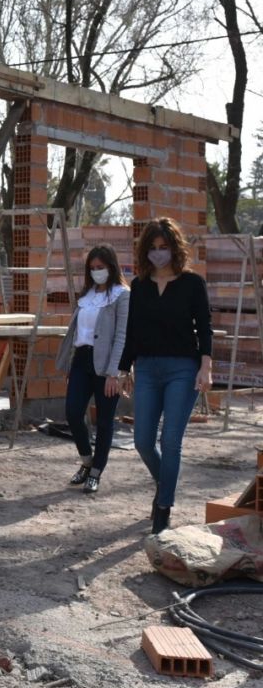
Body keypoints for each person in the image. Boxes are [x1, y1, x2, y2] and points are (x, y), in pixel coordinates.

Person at [119, 217, 212, 535]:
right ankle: (165, 482)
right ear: (145, 251)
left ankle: (163, 508)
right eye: (153, 248)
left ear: (175, 249)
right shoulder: (141, 287)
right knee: (143, 441)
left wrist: (206, 366)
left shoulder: (192, 284)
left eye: (165, 248)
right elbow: (131, 330)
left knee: (170, 440)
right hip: (146, 368)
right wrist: (123, 367)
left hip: (182, 369)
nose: (159, 254)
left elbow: (204, 327)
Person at [54, 245, 130, 494]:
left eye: (101, 268)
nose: (97, 272)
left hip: (107, 365)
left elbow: (122, 336)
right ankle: (86, 461)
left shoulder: (121, 295)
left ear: (111, 267)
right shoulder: (86, 295)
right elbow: (77, 331)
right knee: (73, 413)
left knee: (105, 421)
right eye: (93, 268)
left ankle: (96, 472)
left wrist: (115, 373)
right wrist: (69, 362)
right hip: (82, 359)